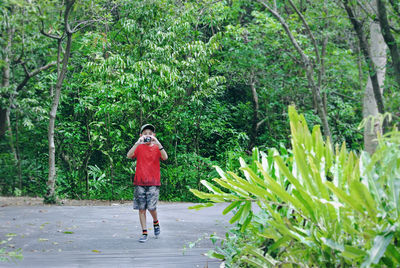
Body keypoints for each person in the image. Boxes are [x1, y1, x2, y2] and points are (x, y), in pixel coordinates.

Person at [127, 124, 168, 243]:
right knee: (141, 209)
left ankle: (155, 222)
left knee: (151, 207)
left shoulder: (157, 147)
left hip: (153, 182)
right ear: (141, 135)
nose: (147, 136)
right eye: (145, 134)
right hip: (139, 181)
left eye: (150, 134)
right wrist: (137, 142)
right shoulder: (138, 147)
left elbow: (165, 157)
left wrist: (158, 143)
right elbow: (129, 155)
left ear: (153, 135)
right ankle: (144, 232)